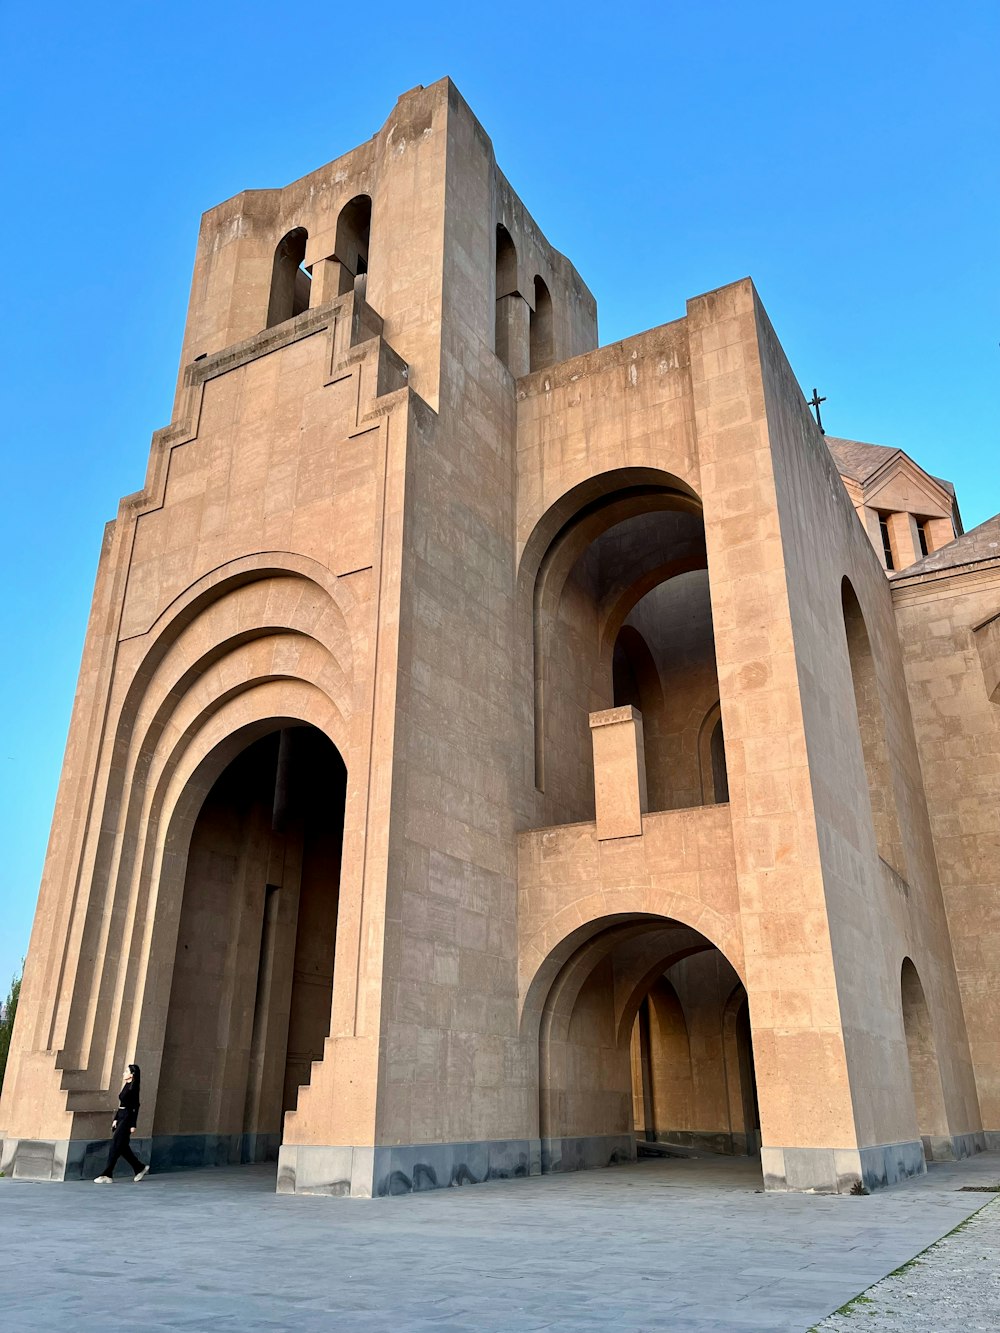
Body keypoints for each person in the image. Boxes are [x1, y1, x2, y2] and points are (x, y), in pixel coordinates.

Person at [94, 1063, 150, 1183]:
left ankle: (107, 1174)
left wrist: (133, 1124)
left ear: (132, 1074)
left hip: (127, 1119)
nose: (124, 1073)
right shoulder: (127, 1085)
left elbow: (135, 1106)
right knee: (122, 1147)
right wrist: (116, 1118)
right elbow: (122, 1105)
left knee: (115, 1145)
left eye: (126, 1071)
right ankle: (139, 1167)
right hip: (121, 1117)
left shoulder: (133, 1088)